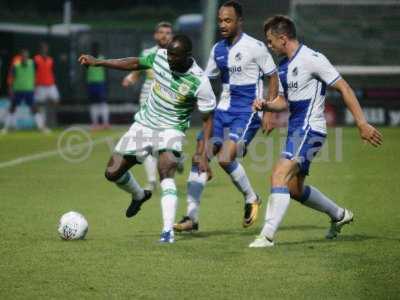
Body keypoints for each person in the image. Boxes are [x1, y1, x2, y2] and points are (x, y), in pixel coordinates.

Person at [249, 15, 383, 248]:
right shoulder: (283, 66)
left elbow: (343, 87)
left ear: (283, 38)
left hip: (310, 129)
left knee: (278, 176)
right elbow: (284, 102)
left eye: (270, 41)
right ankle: (339, 215)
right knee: (293, 188)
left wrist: (361, 122)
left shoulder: (312, 58)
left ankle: (267, 236)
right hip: (297, 130)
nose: (269, 46)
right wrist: (267, 105)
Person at [79, 34, 216, 243]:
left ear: (187, 56)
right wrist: (99, 62)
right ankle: (139, 195)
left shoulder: (199, 80)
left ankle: (167, 231)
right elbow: (133, 63)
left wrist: (204, 153)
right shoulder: (160, 56)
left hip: (172, 129)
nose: (169, 59)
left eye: (175, 56)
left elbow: (208, 121)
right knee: (112, 172)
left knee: (165, 172)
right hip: (144, 125)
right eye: (168, 53)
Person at [174, 0, 279, 232]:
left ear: (239, 21)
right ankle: (191, 218)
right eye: (220, 20)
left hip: (247, 111)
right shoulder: (217, 49)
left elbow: (272, 76)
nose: (222, 24)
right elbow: (205, 78)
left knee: (224, 158)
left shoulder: (255, 47)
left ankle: (252, 198)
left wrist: (269, 110)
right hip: (222, 111)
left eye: (228, 20)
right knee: (199, 157)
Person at [122, 22, 173, 191]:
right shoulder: (147, 53)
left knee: (165, 144)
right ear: (155, 35)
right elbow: (137, 72)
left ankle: (174, 159)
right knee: (147, 143)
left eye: (168, 32)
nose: (164, 35)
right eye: (161, 32)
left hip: (168, 104)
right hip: (147, 103)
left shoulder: (176, 54)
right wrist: (130, 79)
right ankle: (151, 180)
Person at [2, 49, 48, 134]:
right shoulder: (16, 65)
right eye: (23, 56)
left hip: (29, 91)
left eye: (26, 55)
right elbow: (11, 77)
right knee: (12, 108)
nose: (24, 57)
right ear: (20, 57)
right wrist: (10, 88)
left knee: (34, 108)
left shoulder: (32, 63)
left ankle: (41, 128)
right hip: (18, 90)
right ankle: (5, 128)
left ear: (28, 56)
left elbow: (42, 65)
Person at [34, 42, 60, 129]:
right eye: (43, 48)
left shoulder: (50, 60)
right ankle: (41, 124)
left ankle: (51, 119)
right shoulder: (36, 59)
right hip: (40, 85)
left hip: (51, 84)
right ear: (40, 49)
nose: (44, 49)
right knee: (39, 105)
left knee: (56, 100)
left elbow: (52, 71)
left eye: (46, 48)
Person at [86, 42, 110, 130]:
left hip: (99, 83)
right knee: (95, 104)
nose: (94, 50)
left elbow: (106, 72)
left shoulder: (101, 59)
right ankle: (95, 124)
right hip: (93, 84)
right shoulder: (87, 59)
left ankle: (105, 123)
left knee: (101, 103)